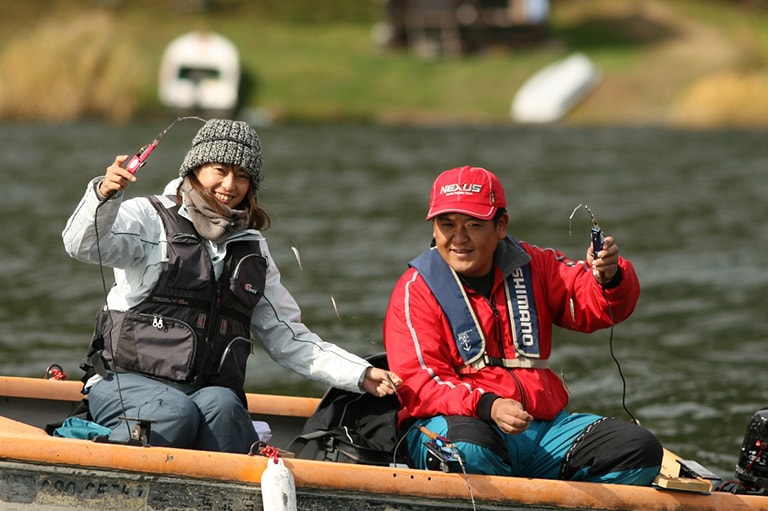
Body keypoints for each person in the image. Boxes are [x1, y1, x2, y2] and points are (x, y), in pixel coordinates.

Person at [62, 118, 401, 453]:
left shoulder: (252, 248)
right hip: (123, 384)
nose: (230, 184)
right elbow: (82, 246)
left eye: (242, 176)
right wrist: (104, 195)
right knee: (173, 413)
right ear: (194, 170)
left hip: (204, 394)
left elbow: (289, 338)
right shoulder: (148, 218)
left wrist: (361, 374)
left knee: (225, 407)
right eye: (219, 170)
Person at [383, 165, 663, 485]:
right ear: (434, 228)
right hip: (458, 423)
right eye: (447, 225)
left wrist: (609, 278)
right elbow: (419, 385)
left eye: (473, 225)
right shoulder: (415, 289)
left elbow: (595, 308)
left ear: (501, 225)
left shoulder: (536, 264)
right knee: (466, 452)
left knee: (639, 451)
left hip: (540, 429)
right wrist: (489, 405)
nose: (459, 239)